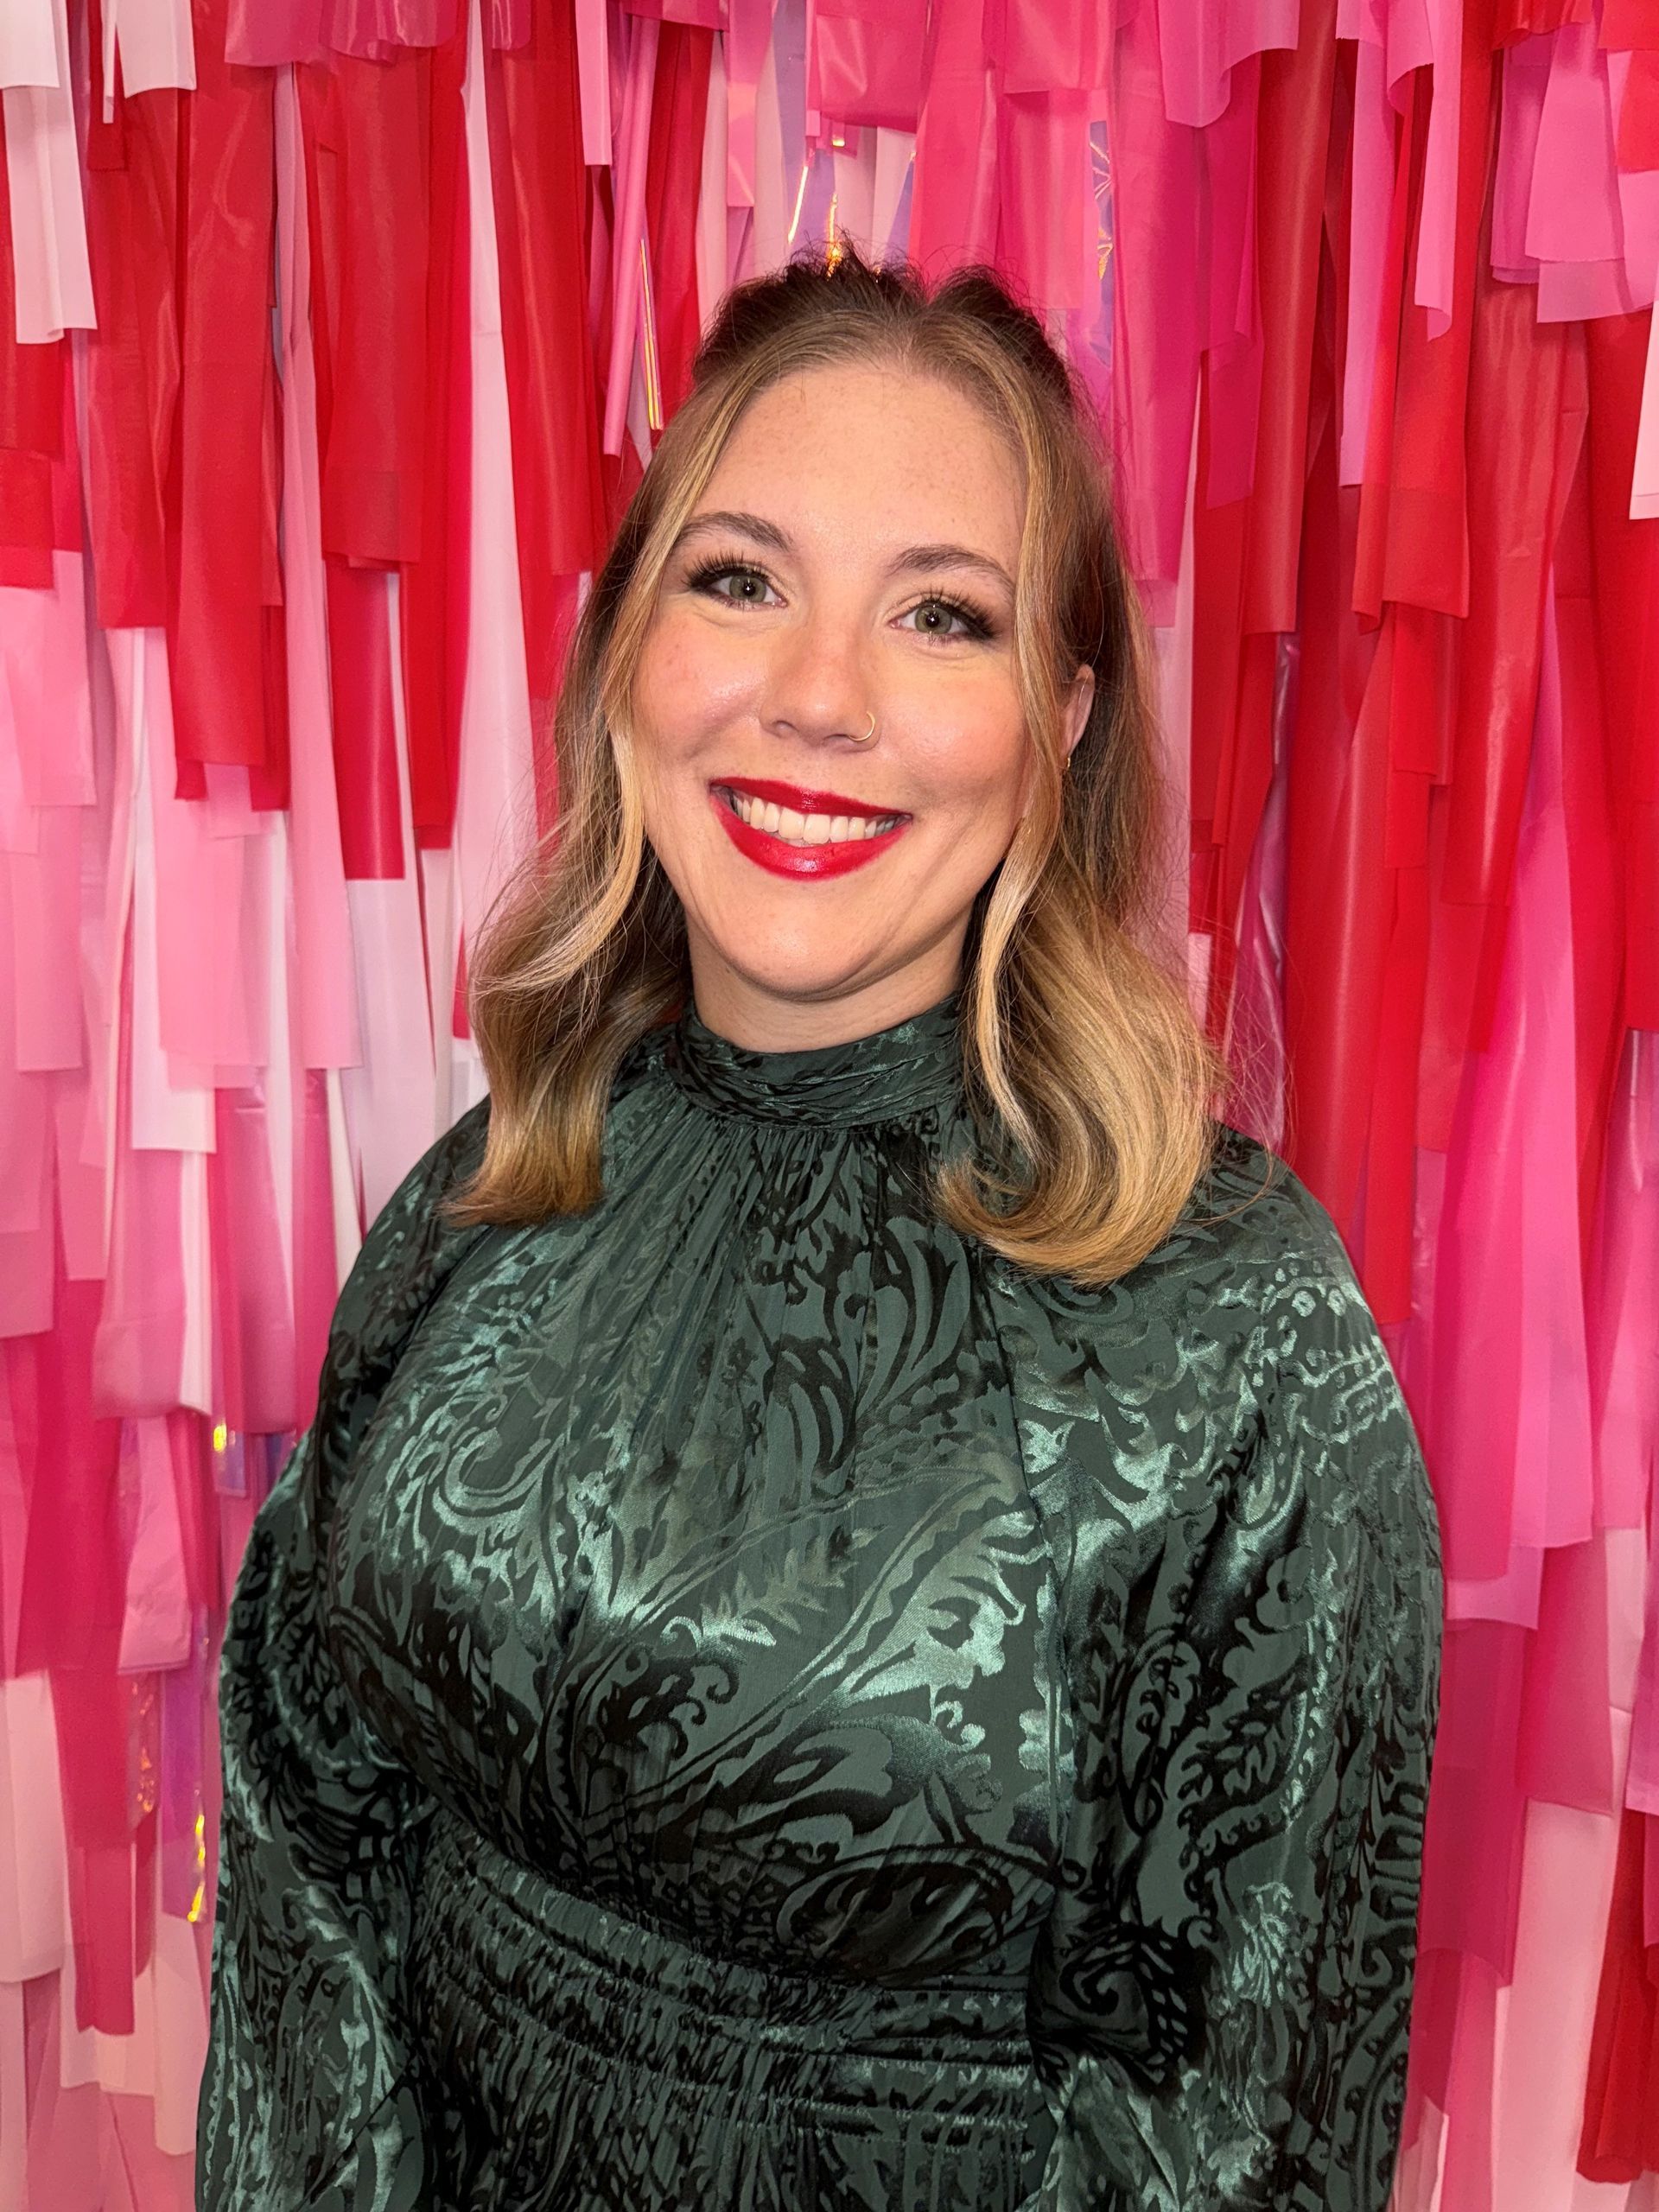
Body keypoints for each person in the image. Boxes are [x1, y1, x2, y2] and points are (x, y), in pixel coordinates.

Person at [195, 244, 1443, 2212]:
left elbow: (1245, 2127)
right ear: (626, 646)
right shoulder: (486, 1182)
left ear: (1061, 717)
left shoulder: (1243, 1337)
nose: (816, 699)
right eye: (741, 578)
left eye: (941, 617)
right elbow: (307, 1844)